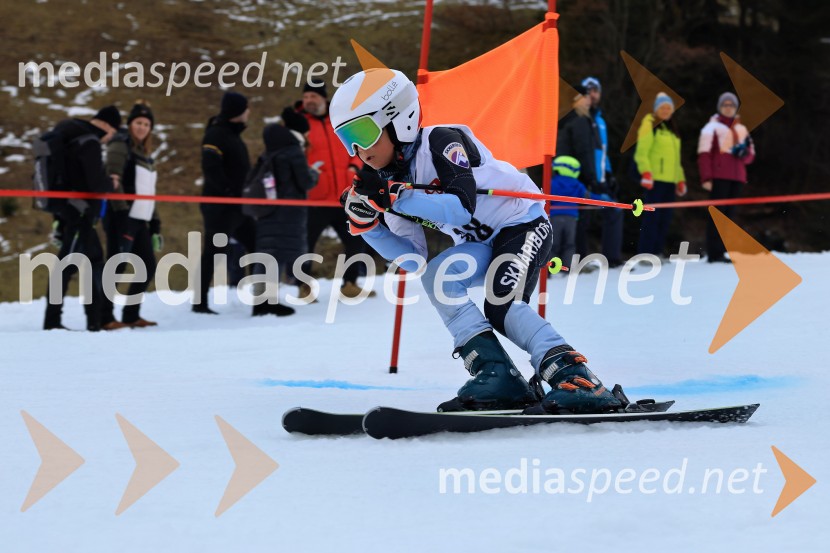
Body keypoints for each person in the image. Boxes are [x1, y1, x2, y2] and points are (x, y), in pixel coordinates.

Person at [330, 69, 622, 414]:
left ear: (398, 119)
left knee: (501, 304)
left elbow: (461, 207)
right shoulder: (387, 181)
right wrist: (368, 226)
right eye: (347, 138)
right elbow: (413, 259)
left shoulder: (441, 141)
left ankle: (578, 378)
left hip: (523, 222)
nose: (358, 150)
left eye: (363, 133)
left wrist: (396, 198)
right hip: (482, 243)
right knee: (438, 277)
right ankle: (498, 375)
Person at [43, 105, 121, 331]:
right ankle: (53, 322)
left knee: (93, 261)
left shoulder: (71, 134)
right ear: (106, 125)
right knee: (67, 266)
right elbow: (95, 184)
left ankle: (95, 321)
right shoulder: (89, 141)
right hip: (80, 213)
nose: (110, 138)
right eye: (113, 132)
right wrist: (111, 183)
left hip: (69, 210)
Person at [299, 82, 376, 299]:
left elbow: (358, 144)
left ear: (324, 98)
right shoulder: (301, 124)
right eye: (306, 97)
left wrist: (354, 166)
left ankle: (350, 284)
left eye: (313, 96)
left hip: (345, 194)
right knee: (306, 243)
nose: (308, 100)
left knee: (356, 238)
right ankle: (303, 287)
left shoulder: (339, 119)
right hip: (315, 197)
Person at [245, 123, 319, 316]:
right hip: (288, 214)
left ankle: (260, 303)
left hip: (267, 213)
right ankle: (270, 303)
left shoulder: (268, 155)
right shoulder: (293, 152)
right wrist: (314, 173)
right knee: (276, 258)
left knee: (266, 256)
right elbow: (305, 181)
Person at [101, 101, 163, 329]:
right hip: (121, 217)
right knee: (116, 266)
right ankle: (103, 317)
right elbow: (113, 179)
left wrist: (155, 221)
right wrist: (121, 213)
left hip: (140, 218)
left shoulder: (145, 154)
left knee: (147, 265)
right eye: (138, 122)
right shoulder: (120, 144)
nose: (142, 127)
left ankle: (131, 315)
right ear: (130, 124)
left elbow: (148, 191)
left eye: (146, 124)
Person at [195, 91, 257, 314]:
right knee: (214, 252)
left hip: (239, 206)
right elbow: (211, 168)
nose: (248, 112)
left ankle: (263, 297)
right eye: (246, 108)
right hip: (220, 207)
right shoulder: (216, 134)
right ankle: (199, 302)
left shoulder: (233, 135)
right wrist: (228, 192)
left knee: (257, 244)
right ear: (238, 111)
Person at [697, 92, 755, 262]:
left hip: (738, 177)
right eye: (725, 105)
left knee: (729, 215)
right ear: (720, 107)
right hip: (719, 176)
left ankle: (722, 250)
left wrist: (744, 153)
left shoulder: (741, 129)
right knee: (718, 215)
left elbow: (751, 155)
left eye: (731, 105)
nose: (728, 108)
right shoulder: (711, 127)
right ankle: (714, 253)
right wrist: (706, 177)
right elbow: (704, 154)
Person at [635, 92, 686, 257]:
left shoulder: (672, 130)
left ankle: (657, 252)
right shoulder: (649, 124)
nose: (665, 110)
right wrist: (646, 172)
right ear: (656, 109)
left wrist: (680, 180)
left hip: (670, 182)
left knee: (665, 218)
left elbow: (676, 160)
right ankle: (645, 253)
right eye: (662, 107)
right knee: (652, 217)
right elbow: (642, 152)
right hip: (655, 180)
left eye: (668, 108)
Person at [582, 77, 623, 266]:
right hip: (583, 178)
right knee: (583, 217)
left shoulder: (600, 120)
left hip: (600, 179)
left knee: (615, 211)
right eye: (589, 90)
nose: (593, 94)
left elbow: (603, 151)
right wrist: (587, 176)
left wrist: (609, 175)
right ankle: (578, 260)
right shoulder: (580, 118)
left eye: (596, 90)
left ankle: (612, 258)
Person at [556, 84, 599, 260]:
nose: (589, 100)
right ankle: (578, 259)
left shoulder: (565, 119)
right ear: (575, 100)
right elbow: (584, 151)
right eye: (585, 97)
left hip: (561, 175)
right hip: (576, 177)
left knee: (563, 221)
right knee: (579, 221)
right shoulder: (579, 120)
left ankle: (562, 260)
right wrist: (591, 178)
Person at [548, 155, 587, 273]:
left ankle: (551, 267)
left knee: (553, 243)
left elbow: (545, 198)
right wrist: (604, 199)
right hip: (571, 218)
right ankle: (567, 267)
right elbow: (587, 196)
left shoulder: (552, 183)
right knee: (569, 244)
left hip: (555, 217)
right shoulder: (577, 184)